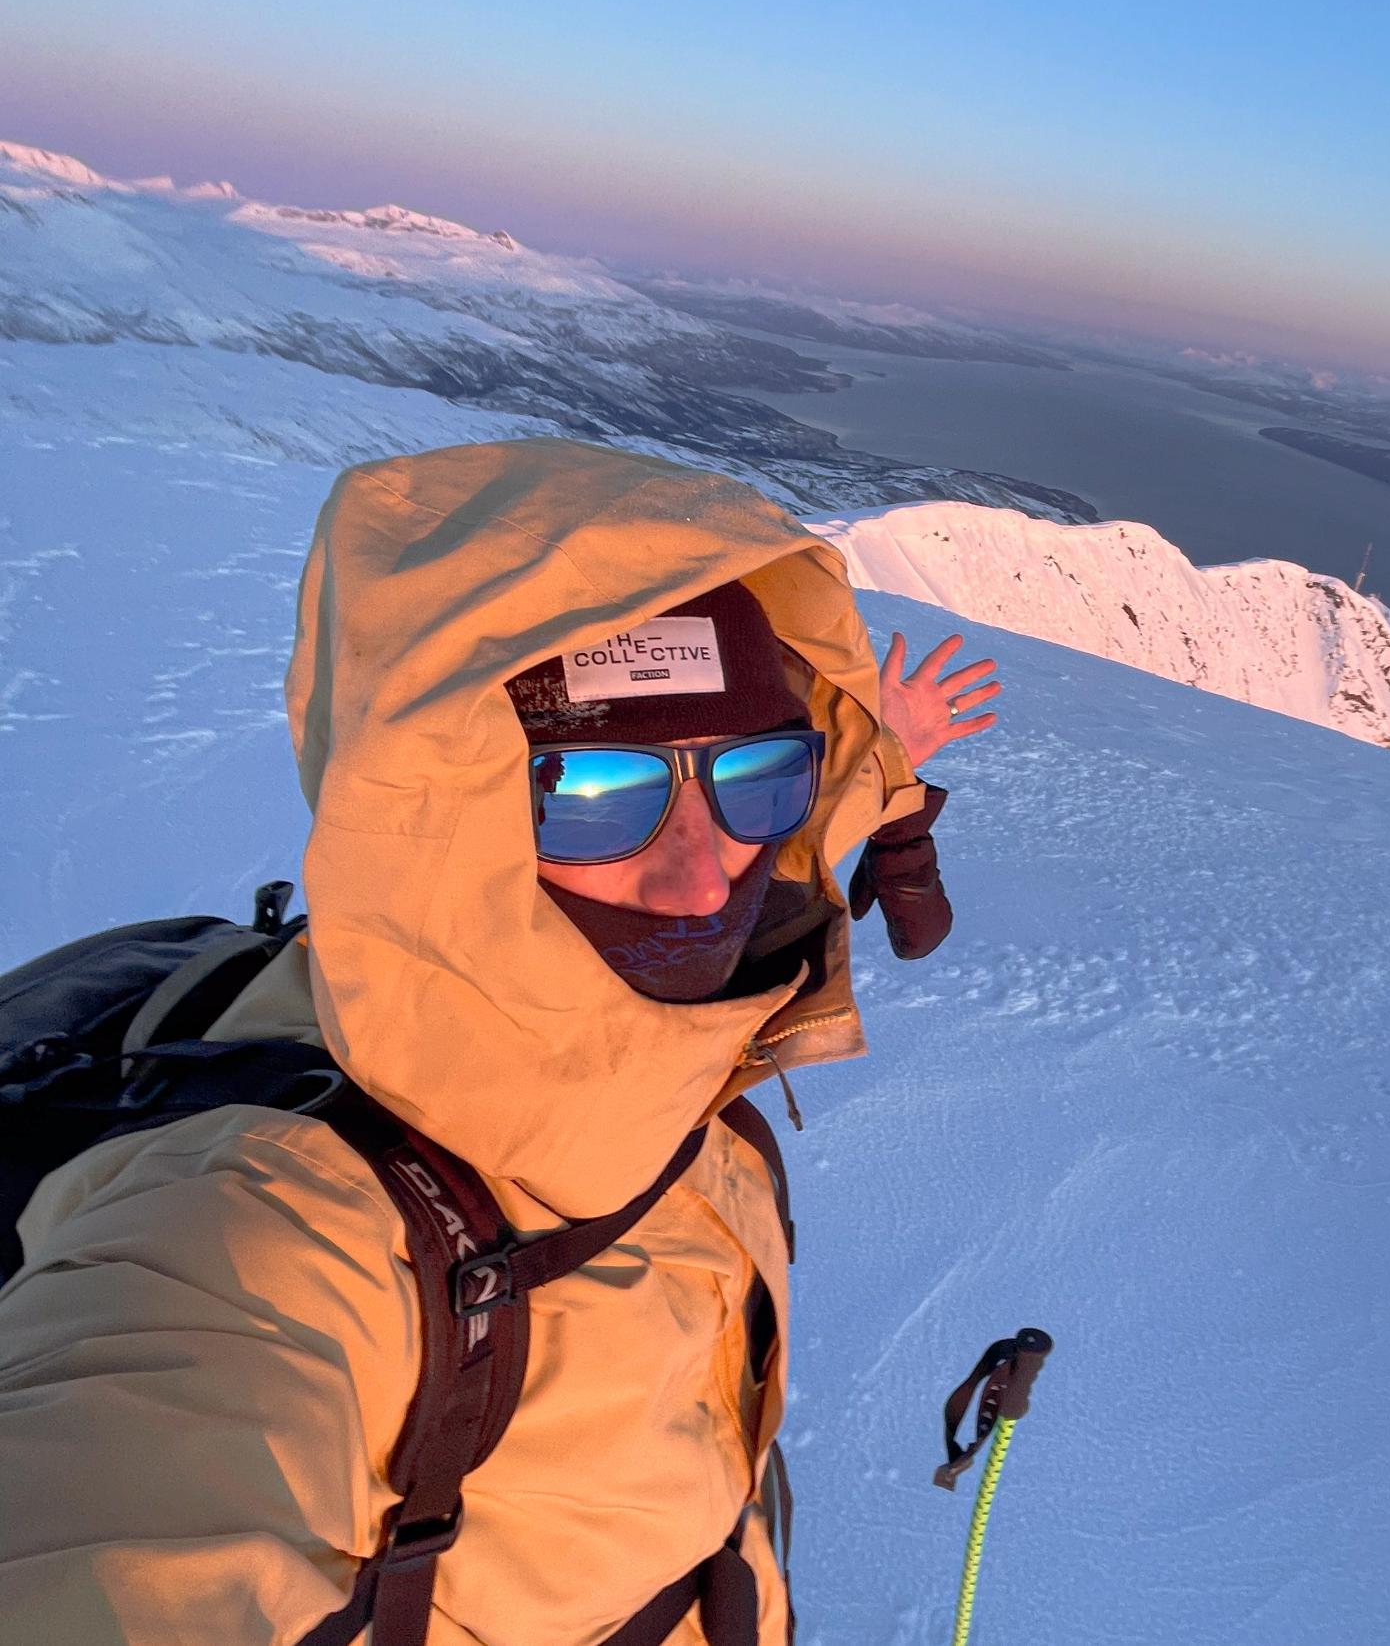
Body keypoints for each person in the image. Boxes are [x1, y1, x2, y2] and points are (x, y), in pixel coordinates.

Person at [0, 438, 999, 1644]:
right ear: (453, 813)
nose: (701, 874)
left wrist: (860, 757)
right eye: (595, 794)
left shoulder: (670, 992)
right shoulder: (256, 1239)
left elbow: (750, 833)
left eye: (756, 777)